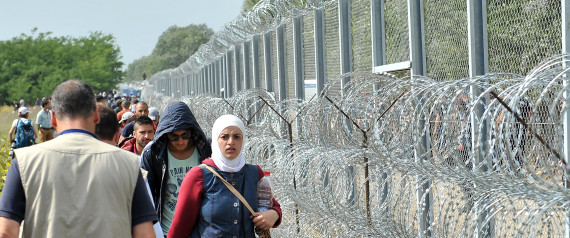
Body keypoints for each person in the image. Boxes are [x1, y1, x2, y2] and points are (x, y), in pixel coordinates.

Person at [0, 79, 157, 237]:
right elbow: (146, 234)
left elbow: (6, 231)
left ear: (53, 118)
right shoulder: (129, 164)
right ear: (96, 115)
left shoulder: (23, 161)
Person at [167, 114, 282, 238]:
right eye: (224, 137)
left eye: (237, 137)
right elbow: (180, 226)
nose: (231, 142)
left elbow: (272, 204)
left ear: (243, 140)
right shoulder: (198, 175)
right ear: (216, 140)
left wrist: (274, 214)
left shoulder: (254, 173)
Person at [140, 101, 212, 236]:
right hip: (168, 230)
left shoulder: (205, 147)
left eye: (185, 135)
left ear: (192, 132)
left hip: (201, 229)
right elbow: (146, 196)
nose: (180, 141)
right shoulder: (153, 153)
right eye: (174, 137)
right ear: (166, 134)